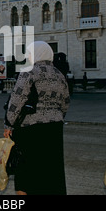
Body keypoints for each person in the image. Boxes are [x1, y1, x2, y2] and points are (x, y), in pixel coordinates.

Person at [4, 41, 70, 195]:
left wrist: (9, 124)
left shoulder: (29, 71)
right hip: (54, 129)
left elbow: (17, 100)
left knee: (26, 174)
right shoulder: (59, 74)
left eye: (29, 53)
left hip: (30, 129)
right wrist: (55, 116)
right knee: (51, 172)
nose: (27, 56)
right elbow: (66, 102)